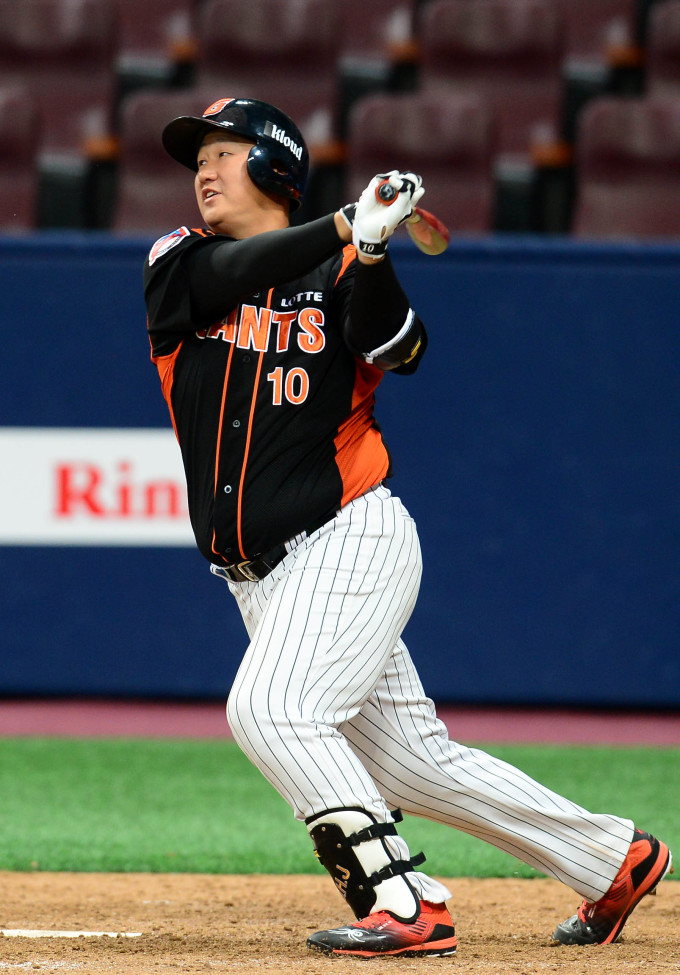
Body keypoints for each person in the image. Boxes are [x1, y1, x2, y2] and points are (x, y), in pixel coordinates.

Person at [143, 96, 672, 958]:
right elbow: (227, 277)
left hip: (348, 537)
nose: (204, 169)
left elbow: (400, 348)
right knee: (408, 764)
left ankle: (402, 901)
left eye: (225, 152)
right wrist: (344, 224)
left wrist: (372, 249)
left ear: (275, 166)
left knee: (272, 711)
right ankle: (614, 858)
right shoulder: (178, 260)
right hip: (260, 579)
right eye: (197, 157)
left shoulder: (342, 267)